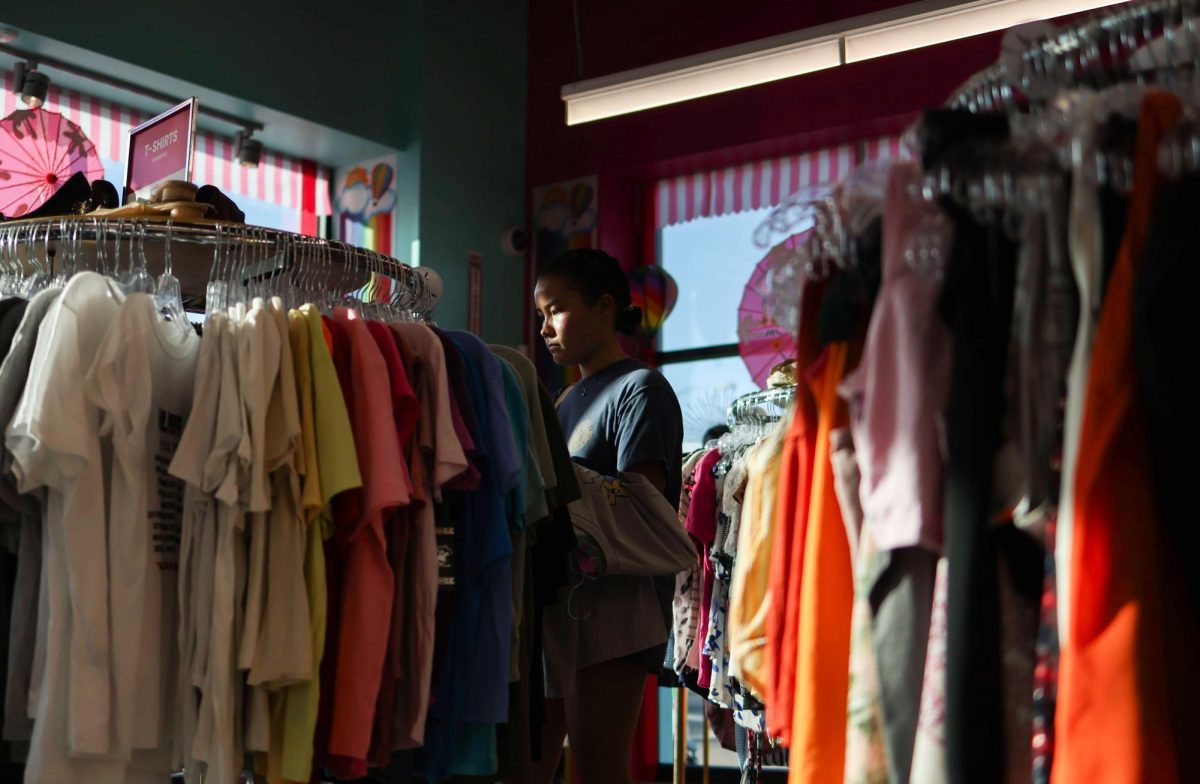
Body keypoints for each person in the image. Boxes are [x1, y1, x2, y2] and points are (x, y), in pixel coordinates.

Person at [526, 249, 683, 784]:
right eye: (541, 315)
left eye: (558, 310)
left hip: (618, 601)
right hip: (561, 597)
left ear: (605, 306)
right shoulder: (563, 396)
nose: (546, 328)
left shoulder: (641, 389)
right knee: (532, 758)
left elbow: (644, 508)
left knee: (598, 763)